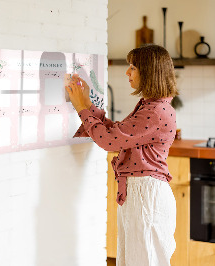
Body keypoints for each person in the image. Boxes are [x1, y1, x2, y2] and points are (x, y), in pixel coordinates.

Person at [66, 44, 178, 266]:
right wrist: (88, 105)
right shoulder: (151, 106)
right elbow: (117, 134)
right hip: (141, 193)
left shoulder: (155, 111)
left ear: (149, 72)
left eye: (133, 67)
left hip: (146, 195)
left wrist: (81, 108)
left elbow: (109, 141)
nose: (127, 72)